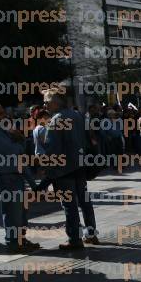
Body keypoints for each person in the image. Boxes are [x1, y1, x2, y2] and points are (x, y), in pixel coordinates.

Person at [0, 104, 41, 253]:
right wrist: (19, 140)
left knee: (21, 212)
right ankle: (13, 243)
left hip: (15, 176)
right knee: (12, 213)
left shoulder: (3, 130)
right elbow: (15, 150)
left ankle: (20, 239)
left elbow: (19, 151)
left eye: (3, 112)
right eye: (0, 114)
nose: (4, 116)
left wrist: (33, 182)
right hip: (5, 178)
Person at [42, 89, 98, 249]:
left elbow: (51, 149)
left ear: (57, 102)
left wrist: (48, 171)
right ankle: (91, 234)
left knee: (69, 205)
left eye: (47, 101)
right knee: (84, 201)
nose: (45, 105)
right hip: (80, 166)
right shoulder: (78, 115)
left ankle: (75, 239)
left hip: (63, 170)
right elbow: (90, 139)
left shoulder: (56, 120)